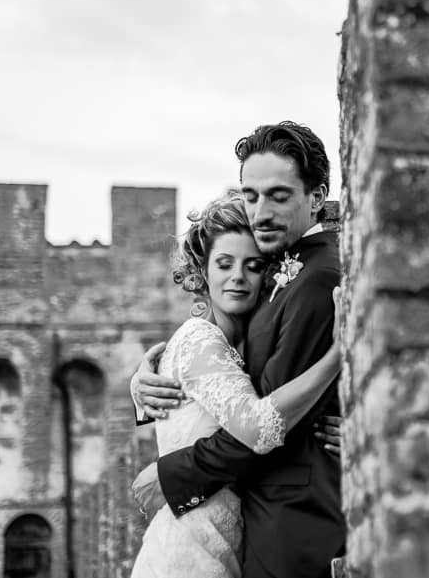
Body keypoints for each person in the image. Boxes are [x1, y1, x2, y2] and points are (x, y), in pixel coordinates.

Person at [131, 122, 345, 578]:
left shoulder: (316, 280)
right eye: (251, 195)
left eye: (279, 195)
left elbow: (264, 422)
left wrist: (171, 476)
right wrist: (149, 381)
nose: (260, 212)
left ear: (317, 196)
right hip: (242, 527)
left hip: (292, 523)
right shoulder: (278, 268)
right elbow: (224, 367)